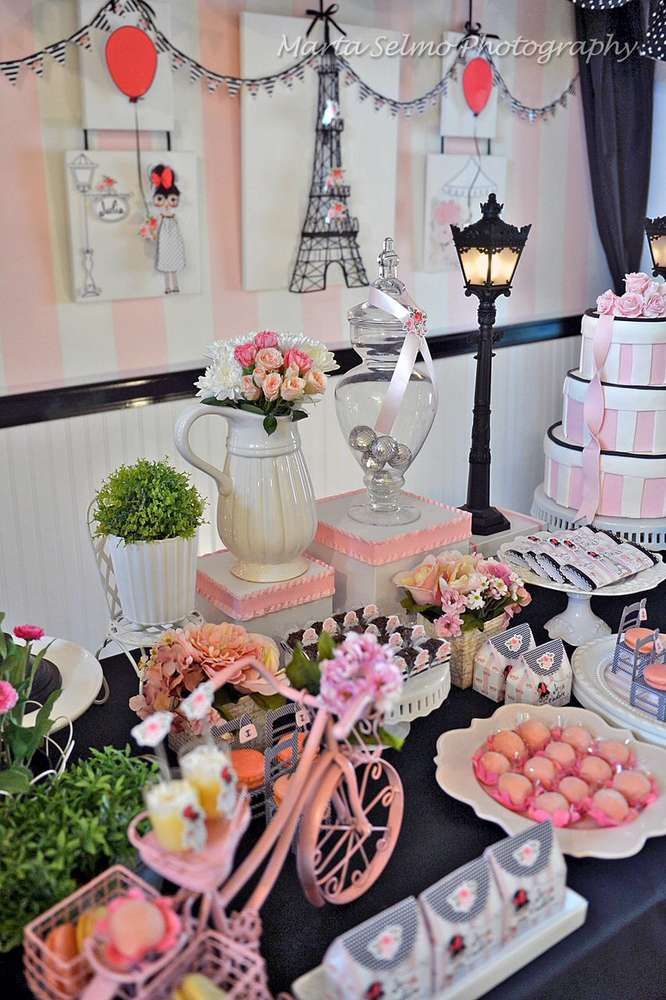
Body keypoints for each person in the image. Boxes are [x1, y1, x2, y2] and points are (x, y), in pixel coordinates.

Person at [150, 164, 185, 294]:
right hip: (164, 240)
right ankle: (167, 287)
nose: (166, 204)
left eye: (172, 199)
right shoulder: (161, 217)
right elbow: (155, 226)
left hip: (174, 241)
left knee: (174, 264)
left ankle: (175, 286)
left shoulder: (174, 216)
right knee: (165, 264)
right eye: (160, 199)